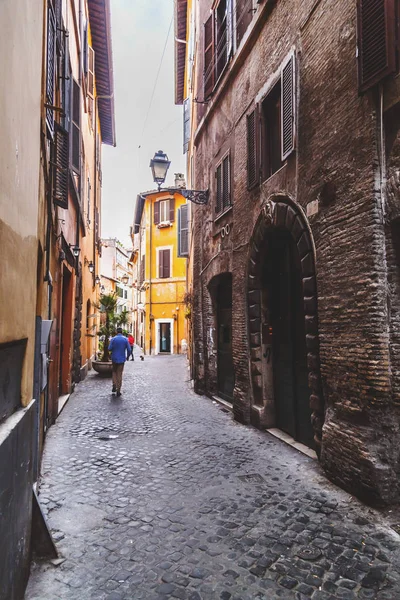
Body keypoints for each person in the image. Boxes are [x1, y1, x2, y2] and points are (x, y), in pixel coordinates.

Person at [108, 327, 132, 396]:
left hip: (114, 358)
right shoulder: (125, 339)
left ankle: (114, 385)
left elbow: (109, 348)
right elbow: (129, 350)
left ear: (116, 332)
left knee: (114, 372)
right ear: (122, 332)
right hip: (121, 359)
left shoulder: (113, 339)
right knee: (119, 373)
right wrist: (127, 357)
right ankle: (118, 390)